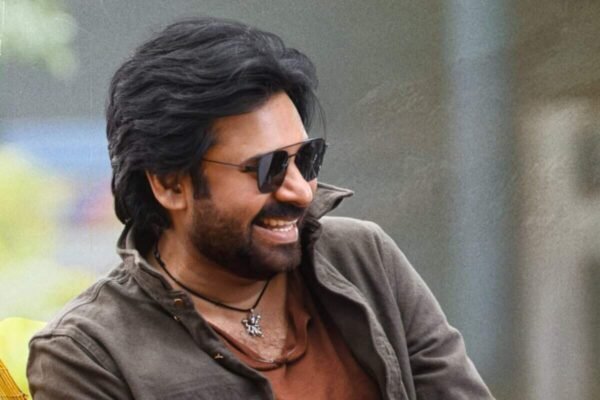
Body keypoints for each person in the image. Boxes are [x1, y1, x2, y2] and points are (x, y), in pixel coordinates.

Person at [27, 17, 494, 399]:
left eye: (305, 159)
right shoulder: (87, 354)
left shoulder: (364, 259)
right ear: (170, 184)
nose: (300, 191)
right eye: (267, 168)